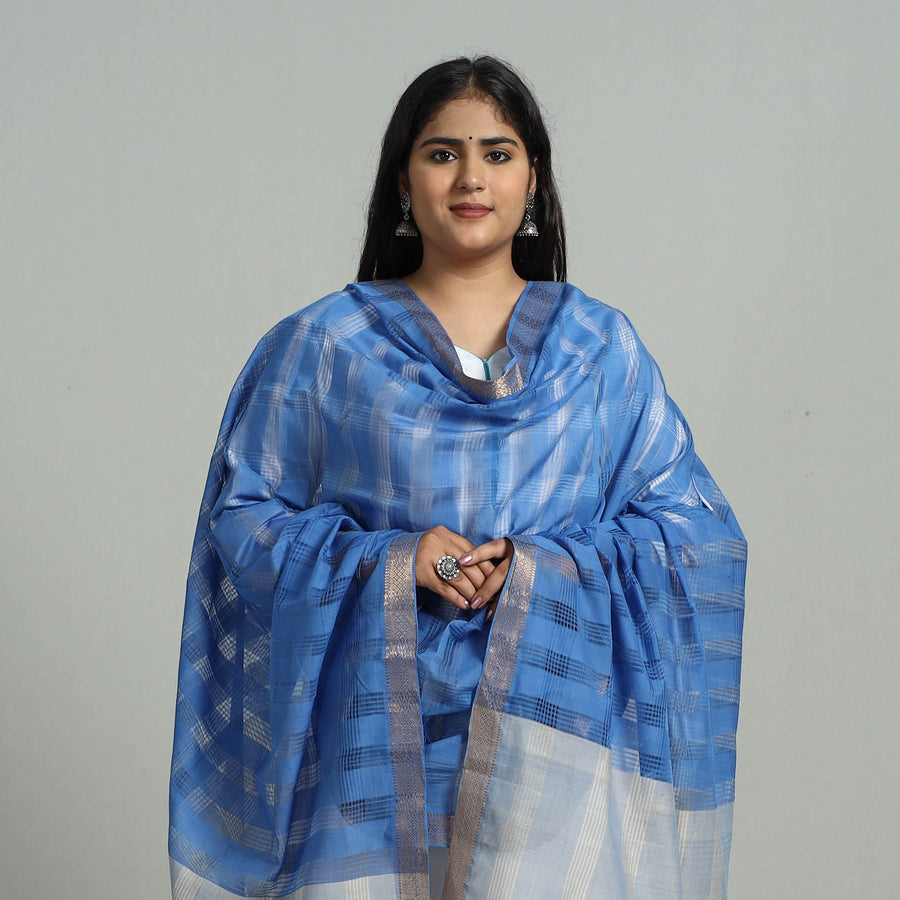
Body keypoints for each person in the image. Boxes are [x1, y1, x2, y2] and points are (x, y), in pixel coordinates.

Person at [169, 57, 746, 900]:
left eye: (497, 154)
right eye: (442, 154)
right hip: (373, 755)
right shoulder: (327, 347)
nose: (471, 177)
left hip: (555, 754)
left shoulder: (600, 351)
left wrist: (539, 569)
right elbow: (243, 520)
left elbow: (696, 534)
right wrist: (396, 561)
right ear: (403, 181)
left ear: (532, 179)